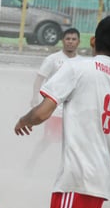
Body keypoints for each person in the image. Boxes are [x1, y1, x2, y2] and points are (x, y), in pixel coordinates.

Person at [14, 15, 110, 208]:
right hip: (97, 180)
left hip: (77, 179)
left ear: (92, 41)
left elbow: (42, 112)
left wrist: (25, 120)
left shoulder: (78, 68)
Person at [27, 28, 81, 168]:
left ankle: (67, 168)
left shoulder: (82, 62)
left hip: (73, 111)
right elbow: (40, 78)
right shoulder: (52, 59)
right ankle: (31, 161)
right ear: (63, 41)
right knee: (49, 139)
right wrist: (35, 96)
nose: (70, 42)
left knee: (71, 141)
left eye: (73, 39)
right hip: (54, 109)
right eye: (68, 39)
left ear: (78, 42)